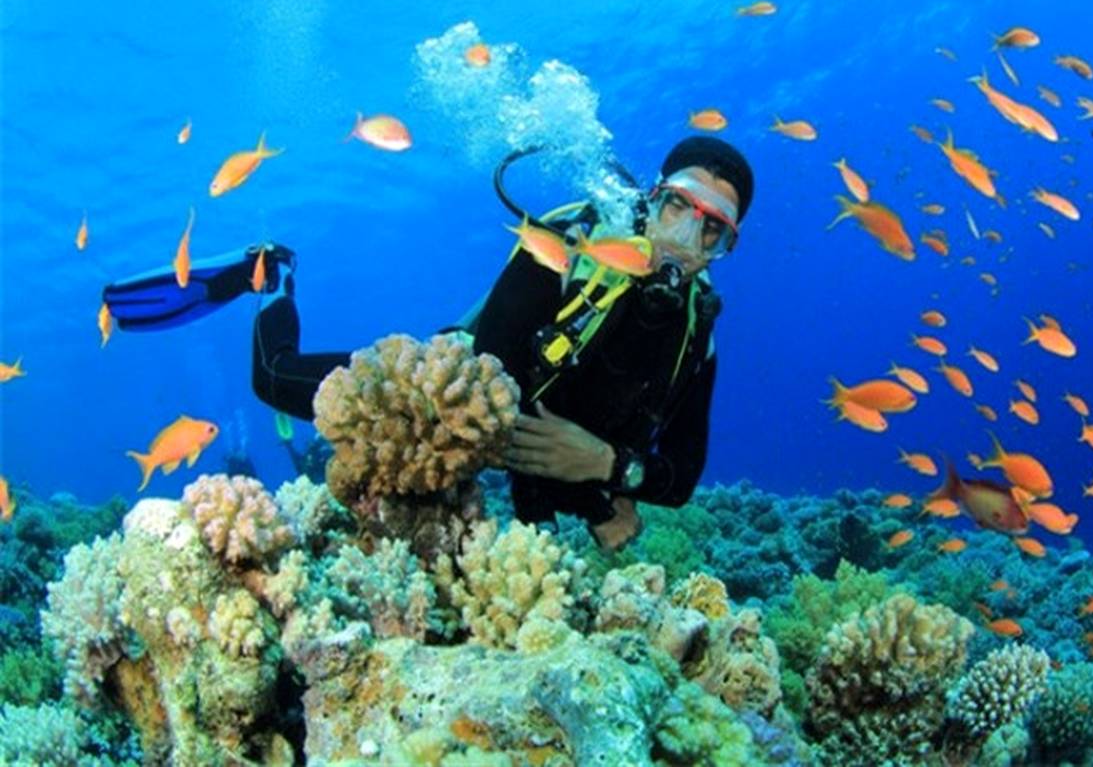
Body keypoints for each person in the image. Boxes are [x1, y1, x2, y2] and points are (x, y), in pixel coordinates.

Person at [103, 136, 754, 550]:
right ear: (649, 200)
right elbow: (488, 381)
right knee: (272, 379)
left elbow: (682, 476)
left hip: (514, 448)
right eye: (677, 206)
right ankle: (272, 273)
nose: (685, 240)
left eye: (713, 232)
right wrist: (587, 495)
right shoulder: (574, 243)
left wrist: (607, 468)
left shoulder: (697, 335)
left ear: (724, 247)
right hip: (442, 390)